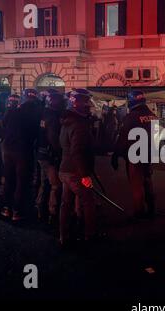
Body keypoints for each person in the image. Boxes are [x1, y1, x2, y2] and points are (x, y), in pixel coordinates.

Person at [59, 89, 97, 246]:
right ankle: (90, 235)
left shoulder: (67, 120)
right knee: (88, 202)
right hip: (75, 172)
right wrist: (84, 176)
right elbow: (77, 152)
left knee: (66, 204)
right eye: (86, 103)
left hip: (65, 169)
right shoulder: (79, 124)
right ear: (79, 104)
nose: (89, 106)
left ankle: (64, 235)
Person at [112, 90, 157, 219]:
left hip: (135, 155)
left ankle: (139, 212)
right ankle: (152, 208)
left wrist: (116, 155)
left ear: (131, 101)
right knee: (147, 181)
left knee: (137, 184)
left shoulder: (131, 117)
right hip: (148, 154)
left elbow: (123, 139)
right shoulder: (152, 115)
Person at [1, 89, 41, 221]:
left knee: (9, 179)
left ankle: (6, 208)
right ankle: (17, 211)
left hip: (8, 149)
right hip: (23, 151)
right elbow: (37, 133)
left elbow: (3, 126)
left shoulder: (13, 111)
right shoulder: (35, 114)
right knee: (21, 181)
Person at [35, 93, 65, 225]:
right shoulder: (52, 116)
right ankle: (52, 212)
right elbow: (53, 137)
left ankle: (40, 208)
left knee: (45, 182)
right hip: (49, 155)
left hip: (42, 154)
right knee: (55, 185)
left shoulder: (43, 113)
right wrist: (60, 152)